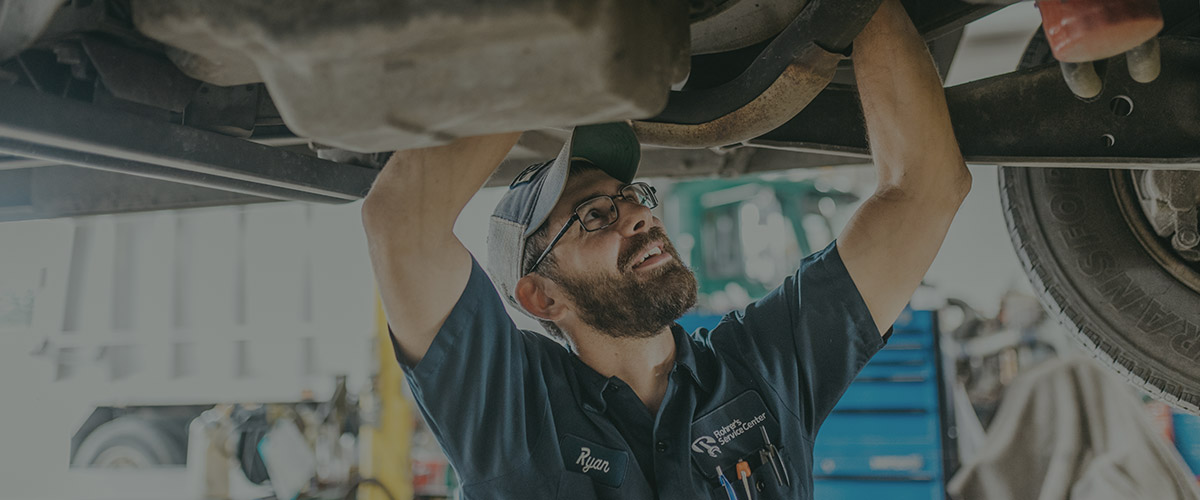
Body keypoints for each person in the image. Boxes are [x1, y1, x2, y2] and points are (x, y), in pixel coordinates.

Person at [360, 0, 971, 498]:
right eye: (595, 214)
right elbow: (400, 225)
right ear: (540, 295)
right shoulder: (513, 409)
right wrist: (555, 50)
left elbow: (926, 190)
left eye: (632, 195)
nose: (639, 215)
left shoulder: (761, 366)